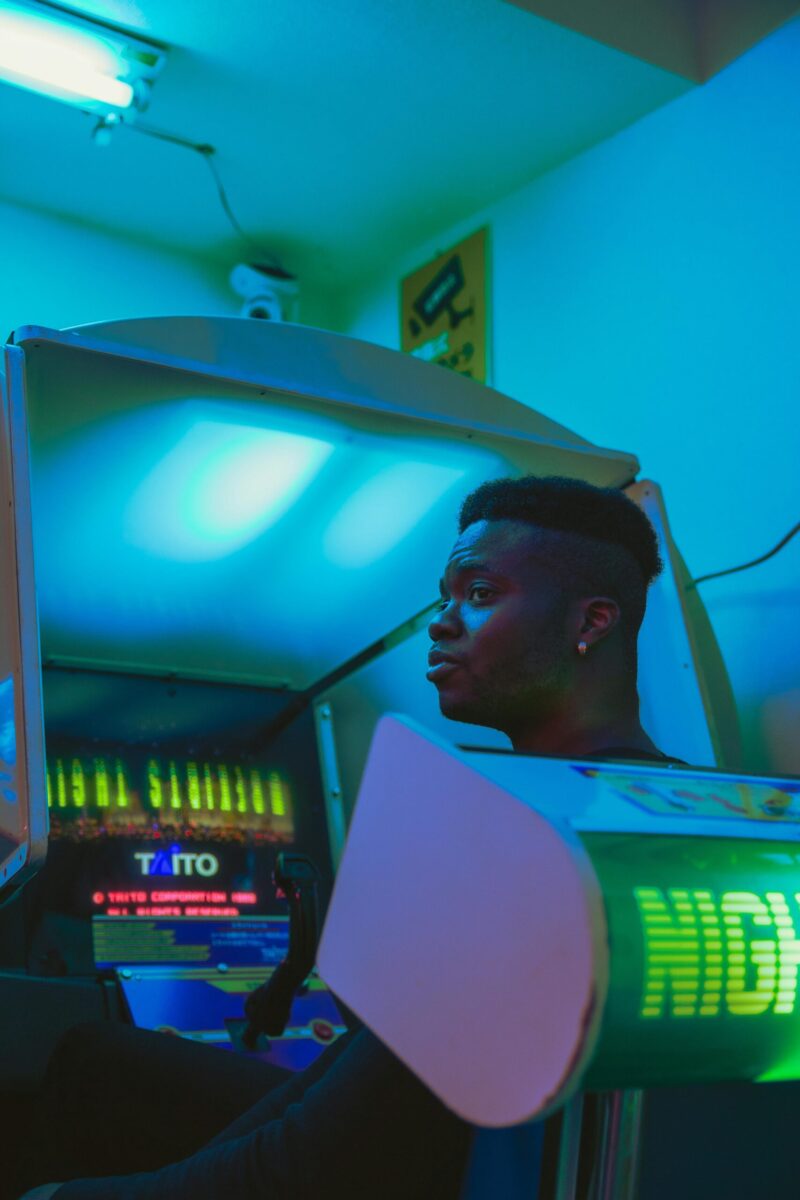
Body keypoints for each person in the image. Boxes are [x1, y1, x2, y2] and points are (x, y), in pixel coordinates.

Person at [17, 475, 678, 1200]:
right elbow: (352, 1097)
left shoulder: (533, 852)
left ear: (592, 622)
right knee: (100, 1062)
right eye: (446, 596)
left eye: (481, 594)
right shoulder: (660, 804)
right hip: (428, 1148)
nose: (443, 621)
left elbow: (307, 1169)